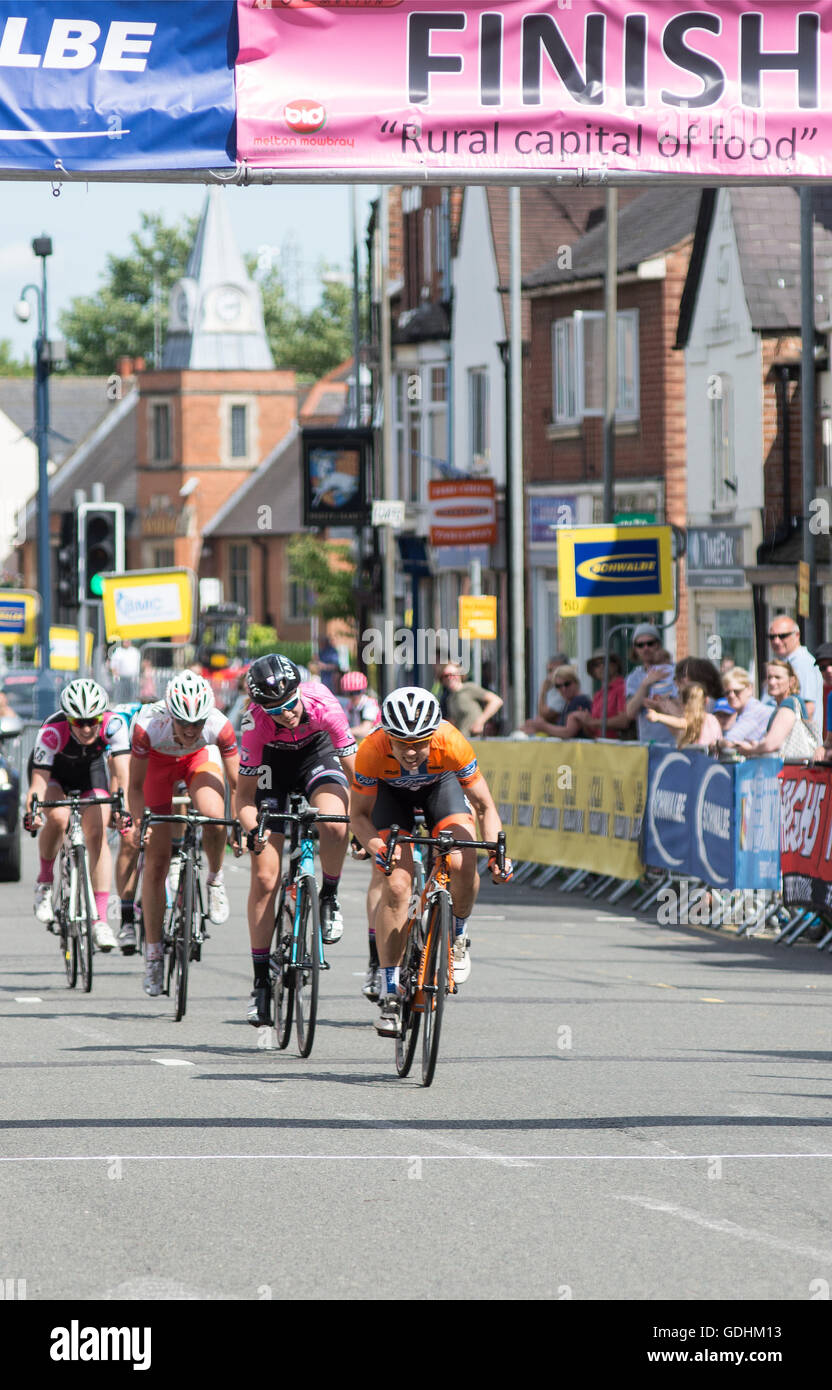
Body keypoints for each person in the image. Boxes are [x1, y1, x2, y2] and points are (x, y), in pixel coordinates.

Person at [349, 686, 512, 1035]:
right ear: (387, 737)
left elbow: (484, 807)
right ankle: (391, 989)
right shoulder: (371, 750)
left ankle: (457, 933)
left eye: (419, 742)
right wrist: (379, 847)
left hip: (442, 788)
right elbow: (359, 816)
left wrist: (498, 855)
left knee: (460, 860)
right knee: (396, 884)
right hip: (391, 798)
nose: (411, 752)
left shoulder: (451, 742)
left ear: (433, 734)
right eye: (401, 743)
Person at [236, 654, 357, 1027]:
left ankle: (329, 897)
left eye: (290, 704)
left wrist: (368, 825)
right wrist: (252, 829)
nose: (286, 714)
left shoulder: (324, 705)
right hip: (272, 766)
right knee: (265, 878)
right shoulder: (254, 727)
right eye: (274, 710)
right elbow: (242, 798)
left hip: (316, 755)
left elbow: (361, 781)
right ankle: (260, 984)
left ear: (298, 691)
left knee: (335, 824)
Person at [126, 672, 239, 998]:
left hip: (198, 762)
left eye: (197, 723)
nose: (191, 731)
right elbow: (134, 787)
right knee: (157, 862)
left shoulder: (219, 725)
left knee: (215, 819)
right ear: (170, 715)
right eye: (184, 723)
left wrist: (241, 824)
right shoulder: (148, 724)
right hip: (158, 768)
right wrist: (137, 824)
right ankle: (154, 954)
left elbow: (237, 784)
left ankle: (215, 879)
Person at [25, 678, 130, 951]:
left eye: (92, 720)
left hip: (90, 773)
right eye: (78, 722)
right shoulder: (51, 731)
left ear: (101, 716)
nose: (86, 728)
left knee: (97, 834)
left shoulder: (114, 724)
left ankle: (101, 920)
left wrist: (125, 808)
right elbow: (37, 784)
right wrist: (32, 811)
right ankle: (45, 883)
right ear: (68, 719)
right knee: (58, 819)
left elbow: (123, 774)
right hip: (54, 775)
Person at [734, 659, 823, 759]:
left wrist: (749, 750)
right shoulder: (780, 705)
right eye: (769, 677)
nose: (772, 682)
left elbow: (771, 744)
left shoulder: (789, 703)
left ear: (791, 681)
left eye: (778, 677)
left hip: (790, 771)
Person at [624, 625, 678, 745]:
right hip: (649, 744)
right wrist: (645, 684)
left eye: (650, 643)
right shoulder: (634, 677)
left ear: (658, 644)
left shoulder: (676, 671)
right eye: (640, 645)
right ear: (635, 649)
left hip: (676, 742)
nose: (645, 648)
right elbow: (630, 713)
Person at [766, 617, 822, 721]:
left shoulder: (803, 662)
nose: (776, 641)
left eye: (782, 636)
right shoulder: (784, 660)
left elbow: (808, 708)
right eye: (772, 637)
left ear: (797, 635)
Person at [570, 650, 631, 738]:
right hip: (602, 746)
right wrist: (583, 721)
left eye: (605, 662)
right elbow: (593, 732)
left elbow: (624, 721)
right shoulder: (598, 695)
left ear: (615, 665)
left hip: (620, 746)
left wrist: (592, 722)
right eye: (596, 665)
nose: (601, 667)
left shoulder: (623, 687)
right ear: (593, 671)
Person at [522, 665, 590, 738]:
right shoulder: (569, 703)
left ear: (576, 682)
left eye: (567, 684)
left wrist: (543, 727)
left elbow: (568, 732)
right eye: (558, 686)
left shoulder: (580, 700)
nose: (563, 689)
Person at [647, 682, 721, 749]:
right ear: (706, 701)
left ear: (682, 704)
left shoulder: (691, 721)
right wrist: (662, 711)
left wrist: (658, 717)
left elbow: (682, 723)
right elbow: (677, 730)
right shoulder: (712, 718)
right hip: (713, 762)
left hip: (698, 761)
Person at [440, 661, 503, 738]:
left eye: (453, 674)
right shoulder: (449, 698)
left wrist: (480, 722)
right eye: (446, 676)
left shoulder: (469, 688)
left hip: (475, 738)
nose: (450, 678)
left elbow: (496, 701)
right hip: (462, 740)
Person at [716, 667, 770, 749]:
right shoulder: (744, 711)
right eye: (727, 693)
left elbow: (730, 741)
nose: (731, 695)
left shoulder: (755, 710)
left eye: (737, 691)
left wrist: (717, 743)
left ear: (749, 689)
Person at [340, 670, 381, 738]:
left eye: (357, 692)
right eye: (349, 693)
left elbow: (364, 731)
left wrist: (342, 731)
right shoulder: (349, 706)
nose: (354, 696)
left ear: (363, 691)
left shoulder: (370, 704)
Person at [108, 637, 141, 702]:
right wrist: (116, 676)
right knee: (120, 698)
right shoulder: (118, 651)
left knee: (132, 697)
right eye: (125, 641)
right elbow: (113, 666)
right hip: (121, 679)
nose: (126, 642)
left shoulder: (135, 651)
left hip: (133, 679)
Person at [812, 642, 832, 742]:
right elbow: (829, 739)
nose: (828, 670)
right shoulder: (830, 696)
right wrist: (823, 749)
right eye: (822, 668)